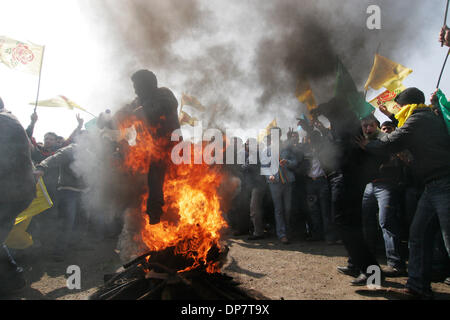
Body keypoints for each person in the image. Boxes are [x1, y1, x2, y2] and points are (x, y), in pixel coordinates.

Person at [357, 87, 450, 298]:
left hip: (444, 184)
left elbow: (392, 142)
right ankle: (417, 286)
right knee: (418, 235)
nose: (396, 109)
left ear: (407, 104)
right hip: (432, 186)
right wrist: (389, 117)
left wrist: (368, 145)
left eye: (399, 105)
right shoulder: (425, 116)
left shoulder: (419, 120)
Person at [310, 96, 381, 286]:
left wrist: (320, 111)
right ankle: (356, 265)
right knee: (350, 225)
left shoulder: (346, 124)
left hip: (346, 180)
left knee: (345, 224)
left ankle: (372, 273)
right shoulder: (344, 124)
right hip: (344, 179)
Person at [130, 70, 181, 225]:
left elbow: (159, 109)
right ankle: (151, 218)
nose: (135, 89)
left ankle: (158, 215)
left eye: (137, 85)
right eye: (134, 86)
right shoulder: (137, 102)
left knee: (166, 185)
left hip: (170, 149)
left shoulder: (164, 94)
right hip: (149, 151)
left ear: (149, 85)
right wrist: (108, 120)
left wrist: (137, 112)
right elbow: (125, 114)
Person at [359, 115, 406, 276]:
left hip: (386, 184)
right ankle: (369, 260)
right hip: (370, 185)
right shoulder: (363, 140)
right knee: (367, 222)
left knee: (386, 222)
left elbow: (389, 157)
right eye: (364, 126)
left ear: (376, 125)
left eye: (370, 125)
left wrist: (369, 147)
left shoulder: (385, 138)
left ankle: (396, 263)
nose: (367, 129)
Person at [0, 99, 36, 294]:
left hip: (9, 191)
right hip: (16, 190)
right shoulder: (10, 119)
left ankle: (13, 277)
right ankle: (12, 277)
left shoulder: (3, 121)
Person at [34, 134, 88, 261]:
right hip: (68, 191)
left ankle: (75, 245)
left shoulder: (89, 153)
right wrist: (42, 167)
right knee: (67, 222)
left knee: (81, 221)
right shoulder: (71, 149)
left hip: (83, 192)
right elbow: (55, 157)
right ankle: (59, 251)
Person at [261, 127, 298, 244]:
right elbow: (264, 167)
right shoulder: (266, 150)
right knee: (279, 209)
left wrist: (288, 162)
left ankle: (289, 231)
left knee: (288, 208)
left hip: (287, 182)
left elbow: (295, 162)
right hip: (274, 183)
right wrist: (269, 176)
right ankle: (282, 234)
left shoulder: (287, 148)